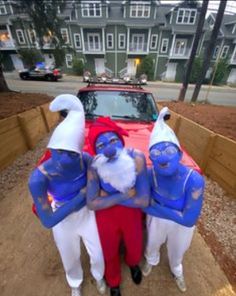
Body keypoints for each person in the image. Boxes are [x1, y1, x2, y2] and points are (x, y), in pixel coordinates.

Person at [28, 94, 106, 296]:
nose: (63, 157)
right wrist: (81, 195)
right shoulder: (39, 178)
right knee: (69, 256)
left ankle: (99, 276)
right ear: (50, 148)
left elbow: (94, 187)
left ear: (79, 153)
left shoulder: (86, 160)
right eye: (58, 150)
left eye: (71, 153)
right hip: (63, 219)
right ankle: (75, 284)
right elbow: (48, 221)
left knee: (97, 252)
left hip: (87, 215)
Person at [142, 107, 205, 292]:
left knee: (178, 250)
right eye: (155, 153)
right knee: (152, 243)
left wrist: (156, 207)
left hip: (180, 225)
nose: (162, 157)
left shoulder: (193, 180)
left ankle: (177, 270)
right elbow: (144, 207)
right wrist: (172, 212)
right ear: (151, 159)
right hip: (160, 219)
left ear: (179, 154)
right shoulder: (149, 174)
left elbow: (189, 220)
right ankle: (151, 260)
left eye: (169, 150)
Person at [86, 117, 149, 296]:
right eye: (101, 145)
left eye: (113, 140)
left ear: (121, 141)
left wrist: (107, 196)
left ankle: (133, 264)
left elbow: (144, 200)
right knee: (109, 250)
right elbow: (91, 203)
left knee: (135, 245)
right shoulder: (94, 166)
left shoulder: (136, 157)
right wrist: (125, 194)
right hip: (106, 217)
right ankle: (113, 282)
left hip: (131, 213)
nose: (110, 148)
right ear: (96, 151)